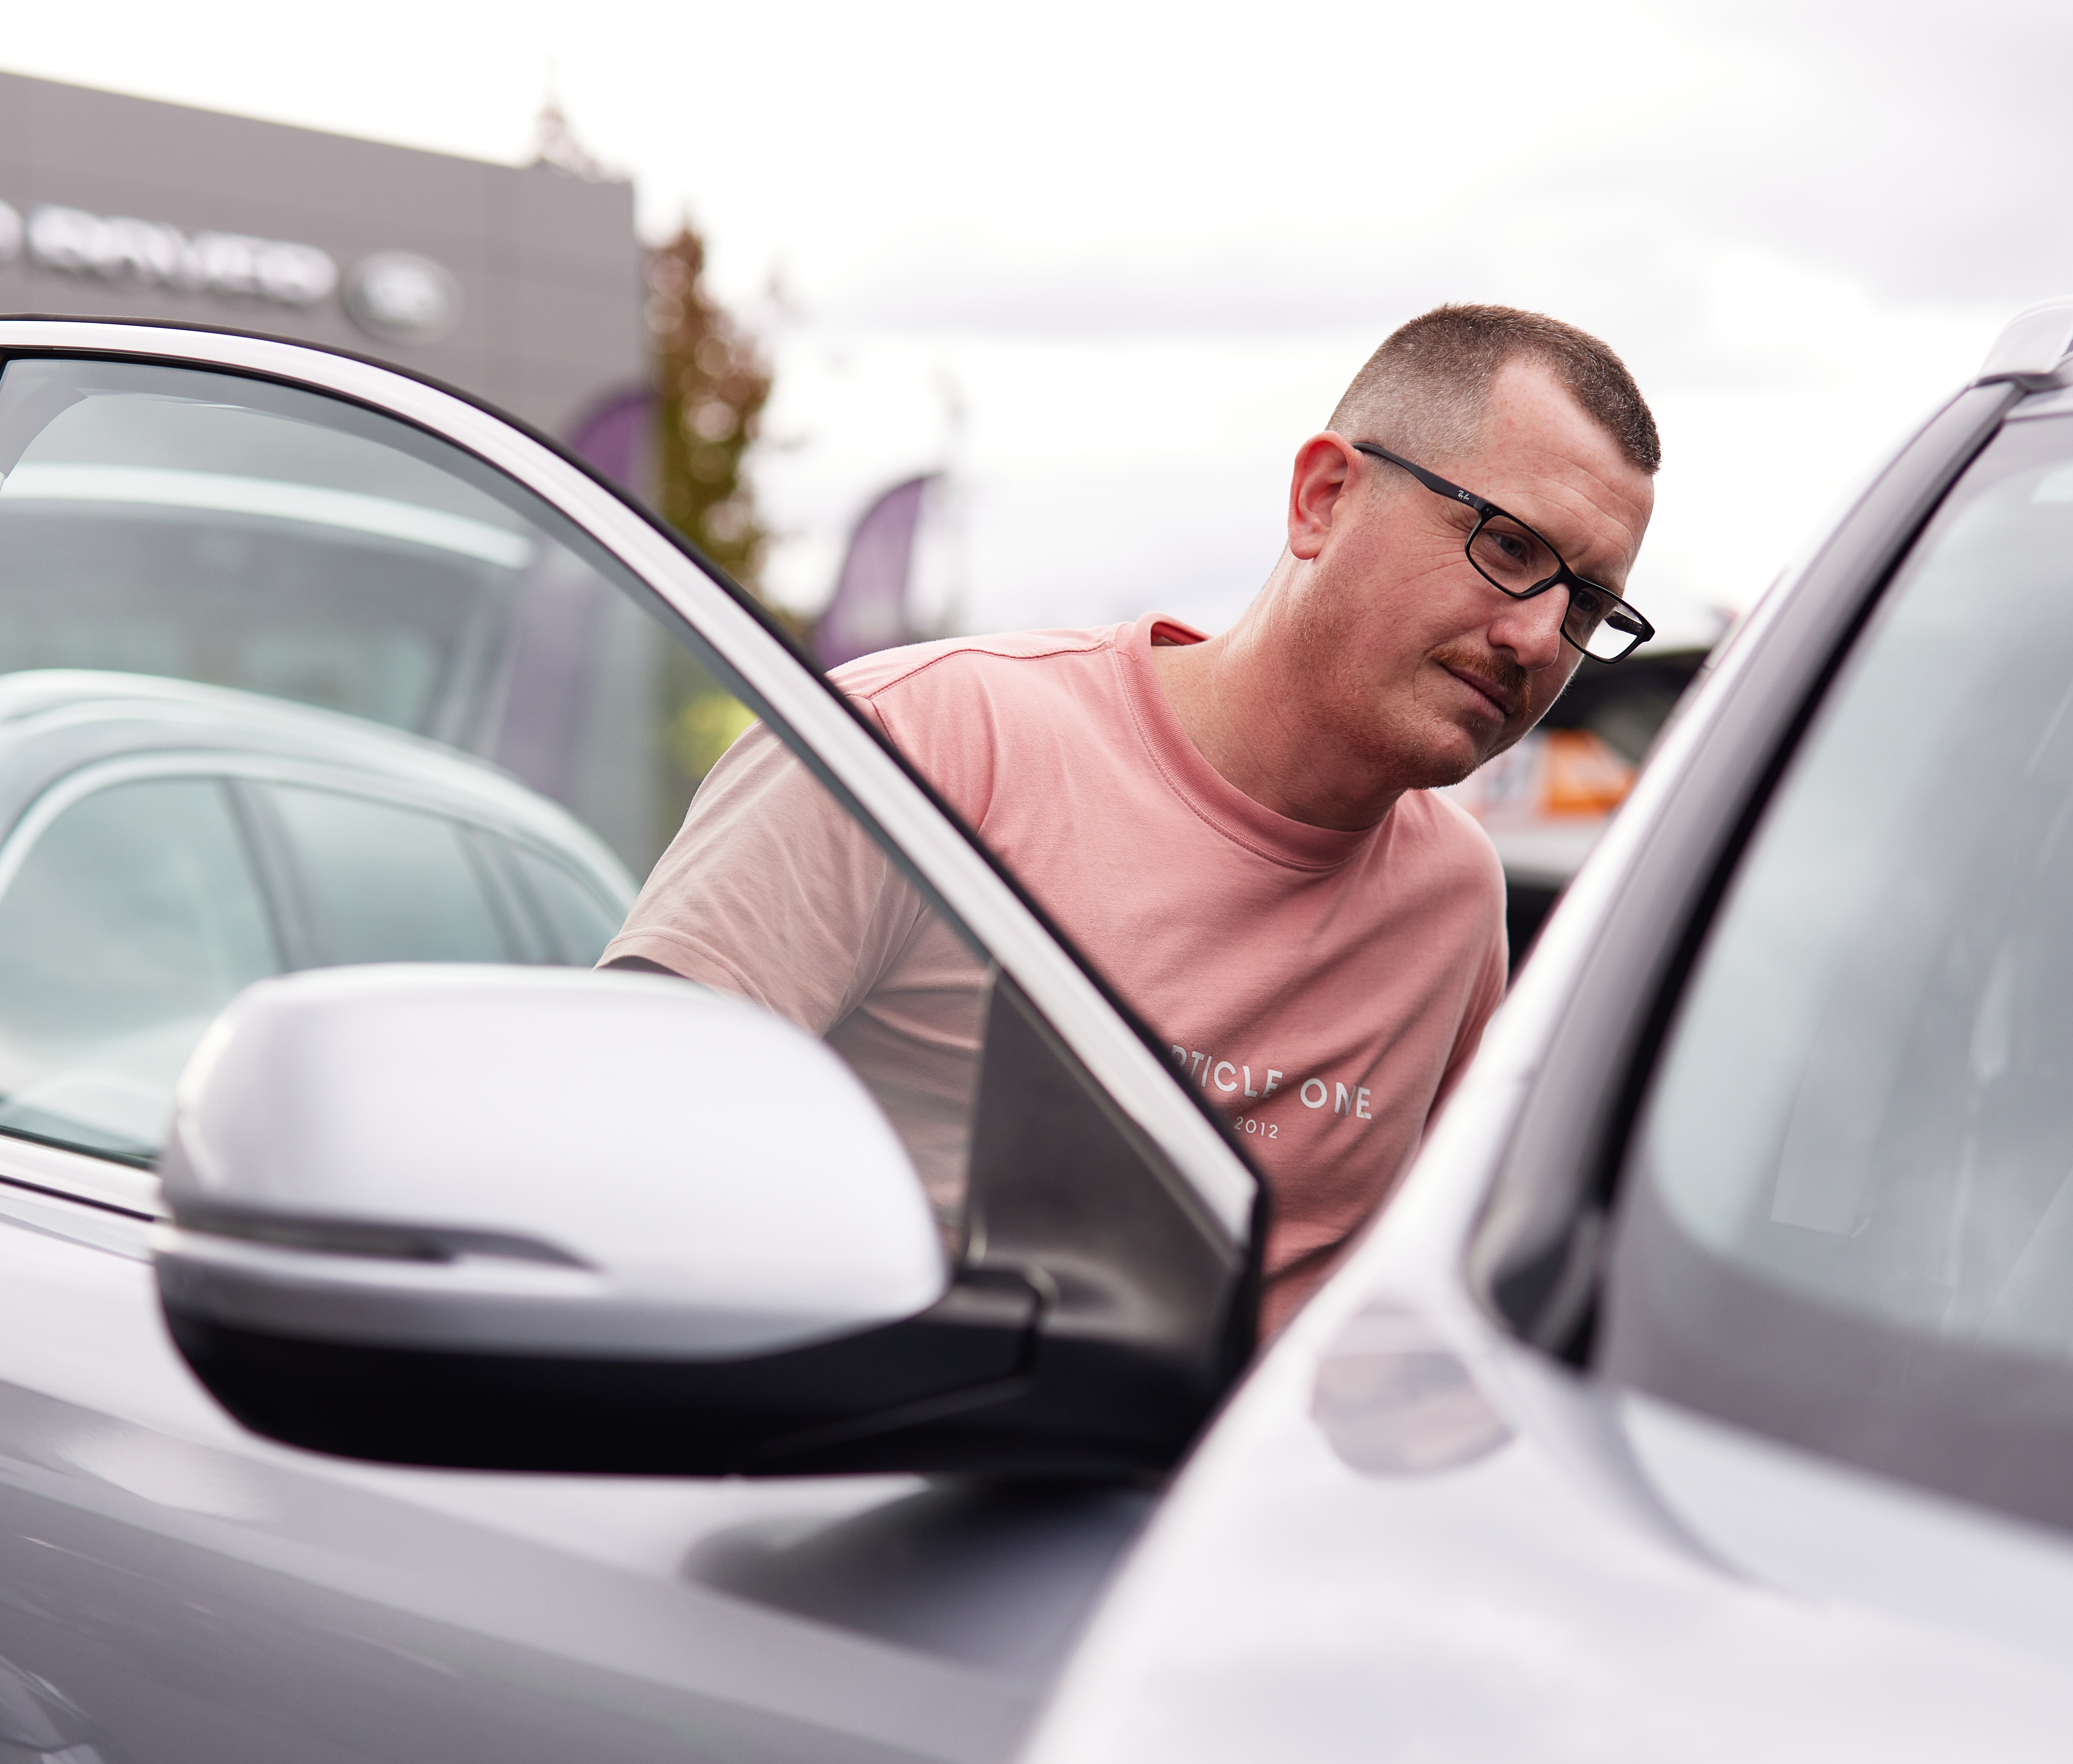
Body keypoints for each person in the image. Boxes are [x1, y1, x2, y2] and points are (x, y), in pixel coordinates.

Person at [605, 304, 1661, 1333]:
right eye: (1511, 549)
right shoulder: (913, 747)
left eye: (1585, 607)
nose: (1536, 638)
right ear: (1324, 497)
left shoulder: (1454, 901)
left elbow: (1420, 1319)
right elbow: (615, 1164)